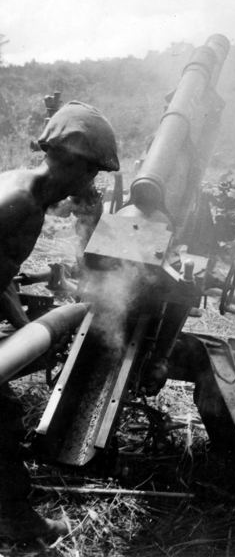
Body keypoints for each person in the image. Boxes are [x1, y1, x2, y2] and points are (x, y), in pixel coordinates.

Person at [0, 100, 119, 541]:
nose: (90, 182)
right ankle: (14, 522)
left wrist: (24, 326)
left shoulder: (26, 192)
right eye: (90, 170)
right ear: (69, 160)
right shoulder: (20, 201)